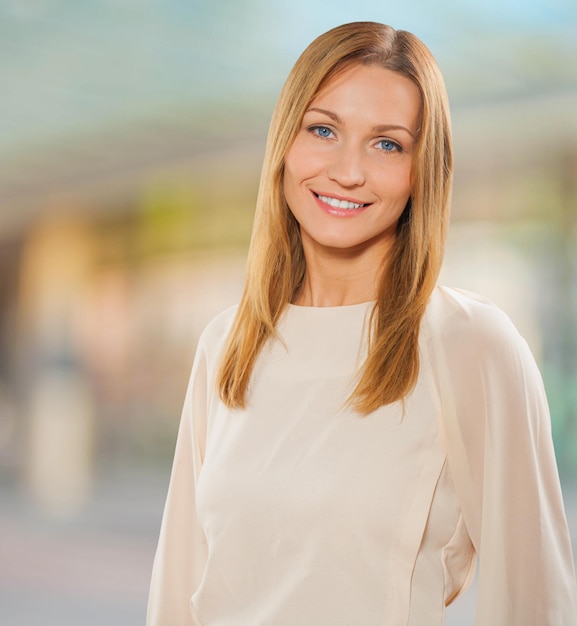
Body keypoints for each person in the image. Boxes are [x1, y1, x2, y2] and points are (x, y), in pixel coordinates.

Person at [146, 21, 577, 626]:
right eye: (323, 130)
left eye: (387, 144)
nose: (348, 171)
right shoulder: (227, 343)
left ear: (421, 170)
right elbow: (178, 591)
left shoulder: (471, 346)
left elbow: (535, 605)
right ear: (285, 145)